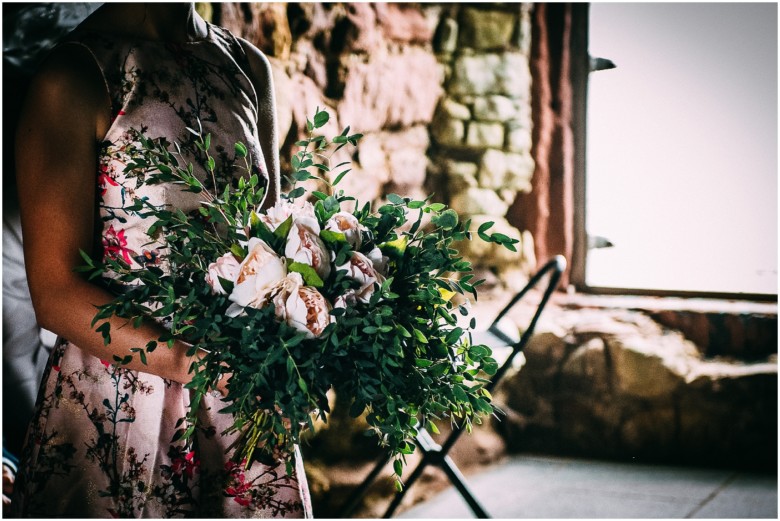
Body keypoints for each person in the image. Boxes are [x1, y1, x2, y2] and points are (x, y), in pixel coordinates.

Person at [11, 3, 311, 517]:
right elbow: (57, 294)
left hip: (239, 399)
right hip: (122, 402)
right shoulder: (78, 74)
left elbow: (266, 245)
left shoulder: (247, 65)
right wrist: (190, 364)